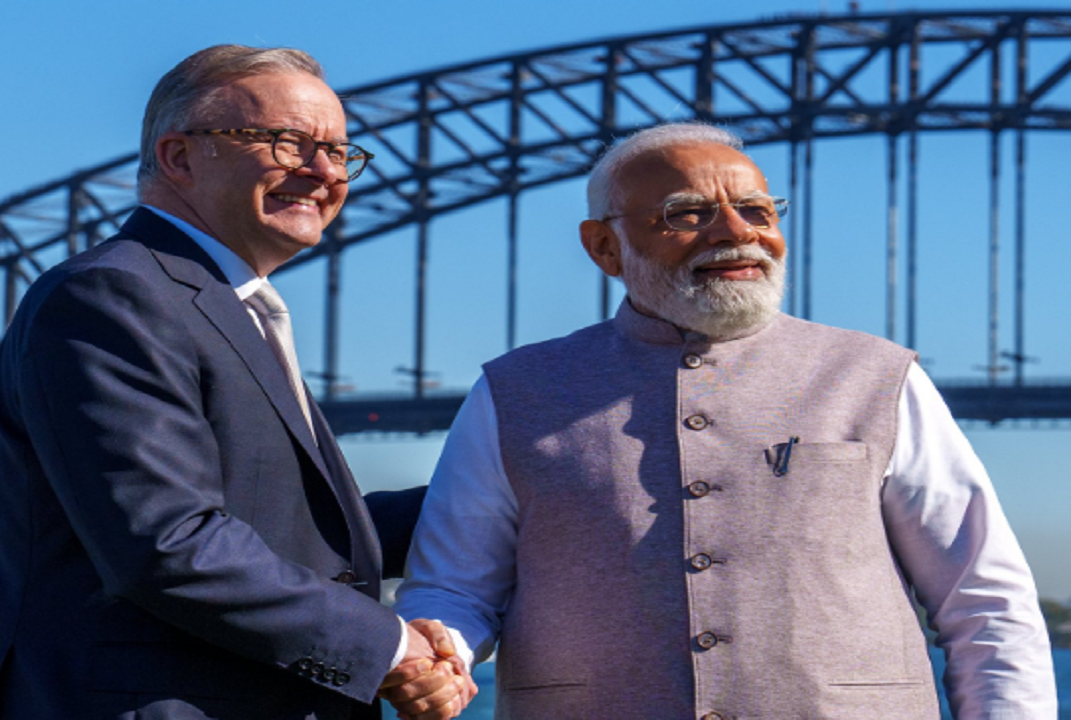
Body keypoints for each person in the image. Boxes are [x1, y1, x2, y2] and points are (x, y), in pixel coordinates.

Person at [395, 123, 1057, 719]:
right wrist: (440, 654)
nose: (737, 233)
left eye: (756, 210)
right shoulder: (512, 393)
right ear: (604, 248)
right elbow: (454, 585)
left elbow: (984, 601)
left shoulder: (879, 378)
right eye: (688, 213)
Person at [0, 45, 473, 720]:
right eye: (288, 143)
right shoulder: (113, 295)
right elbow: (168, 543)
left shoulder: (224, 304)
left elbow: (291, 539)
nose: (323, 172)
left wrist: (503, 506)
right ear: (179, 157)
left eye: (340, 152)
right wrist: (391, 646)